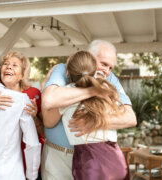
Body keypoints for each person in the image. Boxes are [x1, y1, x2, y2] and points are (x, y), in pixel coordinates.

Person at [41, 40, 137, 180]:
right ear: (88, 57)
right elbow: (49, 101)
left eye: (110, 67)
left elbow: (130, 118)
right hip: (59, 156)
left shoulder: (109, 79)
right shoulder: (63, 69)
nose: (107, 71)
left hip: (90, 160)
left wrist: (95, 121)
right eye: (103, 64)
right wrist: (93, 90)